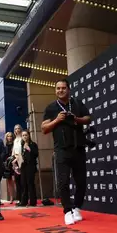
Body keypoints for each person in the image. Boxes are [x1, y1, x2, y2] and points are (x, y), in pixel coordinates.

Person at [41, 80, 91, 225]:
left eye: (63, 88)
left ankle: (76, 207)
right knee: (63, 182)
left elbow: (88, 118)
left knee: (81, 181)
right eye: (58, 88)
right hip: (61, 149)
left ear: (68, 90)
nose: (60, 90)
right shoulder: (51, 107)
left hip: (78, 148)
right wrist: (57, 120)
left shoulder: (77, 103)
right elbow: (44, 128)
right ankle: (67, 211)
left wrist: (76, 119)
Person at [19, 130, 39, 207]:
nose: (24, 137)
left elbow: (36, 154)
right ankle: (24, 201)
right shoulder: (22, 145)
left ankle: (33, 201)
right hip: (24, 166)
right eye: (23, 135)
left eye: (26, 135)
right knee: (23, 183)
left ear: (29, 136)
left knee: (30, 183)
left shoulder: (33, 144)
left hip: (31, 166)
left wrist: (29, 149)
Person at [1, 132, 16, 203]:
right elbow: (3, 156)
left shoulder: (15, 145)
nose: (9, 138)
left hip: (15, 163)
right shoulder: (4, 146)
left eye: (10, 136)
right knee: (9, 182)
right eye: (8, 136)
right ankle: (11, 197)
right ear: (6, 138)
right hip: (7, 165)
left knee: (16, 180)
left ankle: (18, 195)